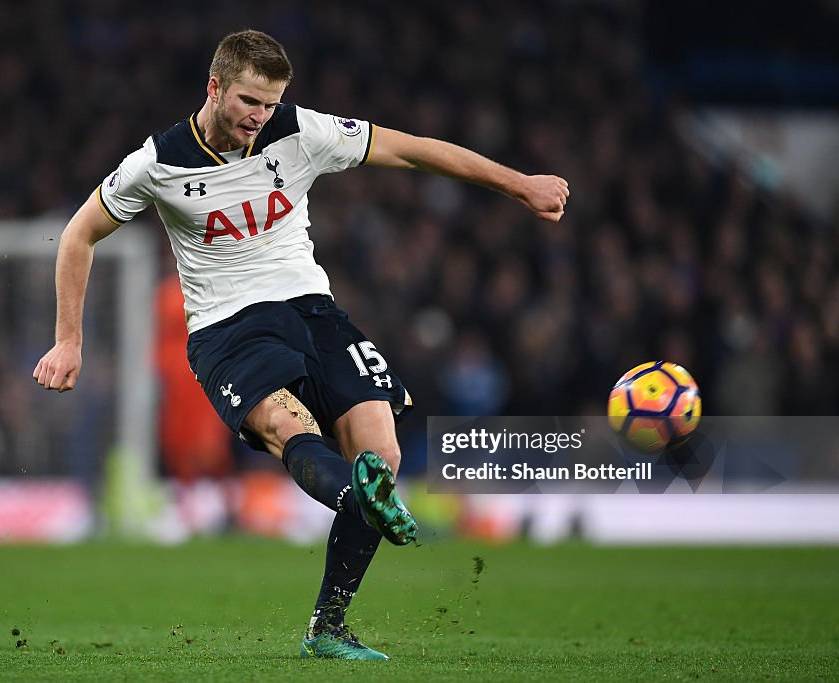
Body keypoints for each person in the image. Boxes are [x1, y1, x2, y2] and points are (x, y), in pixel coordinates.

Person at [33, 29, 568, 660]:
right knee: (286, 426)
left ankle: (329, 625)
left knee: (381, 447)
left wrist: (520, 184)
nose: (259, 118)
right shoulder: (159, 163)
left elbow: (415, 151)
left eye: (269, 103)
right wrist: (68, 341)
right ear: (214, 88)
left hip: (311, 310)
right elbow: (77, 236)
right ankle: (358, 498)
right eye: (247, 102)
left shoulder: (301, 132)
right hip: (227, 328)